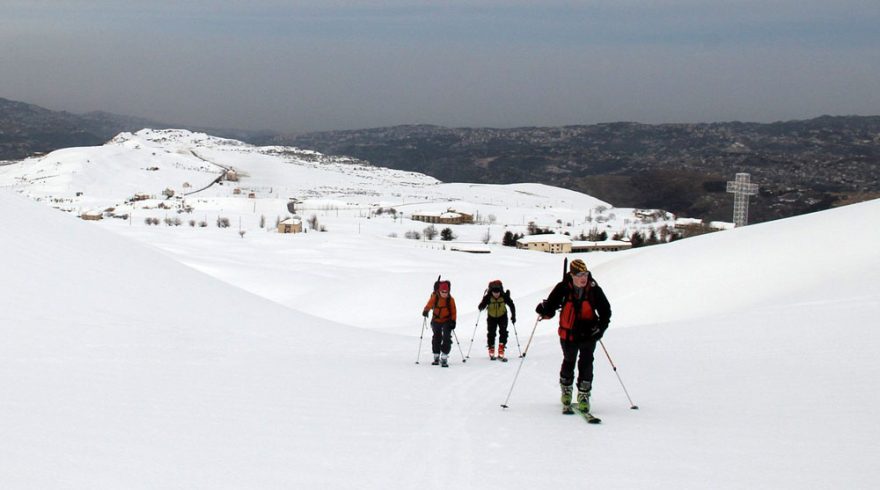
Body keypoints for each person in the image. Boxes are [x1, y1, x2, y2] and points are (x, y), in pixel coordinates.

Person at [535, 259, 611, 413]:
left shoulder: (594, 289)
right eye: (579, 275)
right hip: (568, 334)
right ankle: (566, 389)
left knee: (586, 362)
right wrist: (543, 311)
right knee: (569, 360)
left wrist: (600, 330)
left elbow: (606, 312)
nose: (583, 278)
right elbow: (551, 306)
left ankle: (584, 394)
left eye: (585, 274)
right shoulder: (563, 288)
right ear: (571, 274)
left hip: (589, 334)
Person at [477, 280, 517, 361]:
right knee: (491, 332)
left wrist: (513, 316)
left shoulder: (504, 296)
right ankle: (491, 348)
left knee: (503, 332)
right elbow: (481, 306)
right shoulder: (488, 297)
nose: (496, 294)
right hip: (491, 317)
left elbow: (512, 305)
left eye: (498, 293)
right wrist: (481, 305)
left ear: (500, 291)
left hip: (503, 316)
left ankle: (501, 348)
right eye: (494, 293)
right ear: (491, 292)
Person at [422, 280, 457, 367]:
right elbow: (429, 304)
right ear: (439, 291)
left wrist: (453, 321)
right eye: (443, 292)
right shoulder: (435, 297)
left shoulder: (450, 300)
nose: (444, 293)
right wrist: (426, 310)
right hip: (436, 320)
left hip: (447, 320)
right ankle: (436, 355)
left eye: (446, 292)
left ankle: (444, 355)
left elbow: (453, 311)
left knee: (447, 337)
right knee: (437, 337)